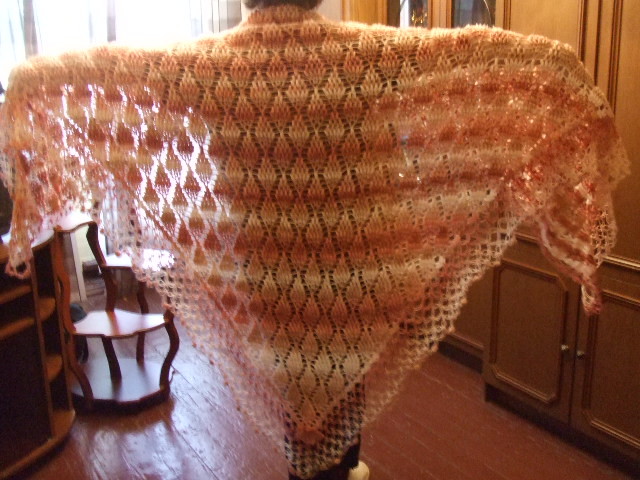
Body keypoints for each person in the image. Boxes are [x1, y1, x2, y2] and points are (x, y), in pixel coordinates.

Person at [0, 0, 627, 479]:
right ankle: (337, 464)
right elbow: (502, 61)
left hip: (263, 281)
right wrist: (566, 80)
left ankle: (317, 465)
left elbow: (77, 75)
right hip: (360, 278)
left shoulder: (204, 68)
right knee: (343, 395)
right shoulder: (376, 56)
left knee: (297, 406)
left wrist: (26, 92)